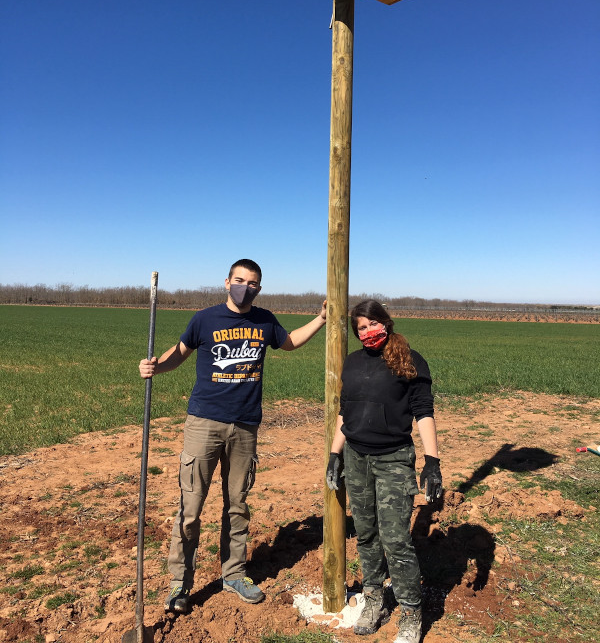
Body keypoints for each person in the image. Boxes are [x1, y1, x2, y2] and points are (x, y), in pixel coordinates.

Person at [139, 258, 327, 612]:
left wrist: (320, 319)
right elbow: (179, 354)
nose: (245, 287)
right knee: (190, 508)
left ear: (259, 288)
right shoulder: (205, 319)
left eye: (252, 283)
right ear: (227, 282)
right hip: (204, 422)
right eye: (240, 280)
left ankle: (234, 574)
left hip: (245, 426)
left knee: (237, 505)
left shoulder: (265, 320)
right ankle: (180, 583)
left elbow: (289, 343)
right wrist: (155, 367)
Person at [326, 299, 442, 643]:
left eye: (372, 323)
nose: (367, 331)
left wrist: (432, 461)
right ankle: (374, 598)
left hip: (393, 459)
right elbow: (344, 413)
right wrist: (335, 453)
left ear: (386, 323)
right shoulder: (352, 363)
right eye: (360, 327)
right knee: (366, 535)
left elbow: (423, 411)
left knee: (395, 539)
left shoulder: (409, 359)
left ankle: (410, 613)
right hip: (357, 458)